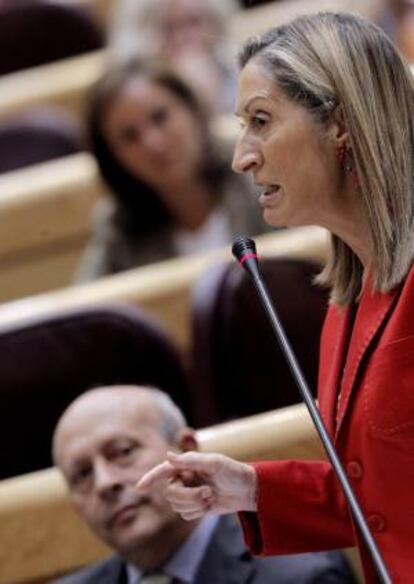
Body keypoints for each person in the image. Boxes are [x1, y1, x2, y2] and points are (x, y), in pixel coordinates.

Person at [137, 11, 414, 584]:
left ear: (340, 123)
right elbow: (384, 501)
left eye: (261, 121)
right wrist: (251, 488)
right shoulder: (346, 307)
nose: (242, 156)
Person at [52, 385, 356, 583]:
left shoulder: (302, 576)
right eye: (82, 475)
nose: (105, 483)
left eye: (122, 452)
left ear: (186, 449)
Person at [75, 59, 267, 282]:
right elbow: (86, 302)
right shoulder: (118, 229)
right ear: (113, 158)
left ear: (192, 110)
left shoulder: (260, 174)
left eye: (160, 117)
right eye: (130, 136)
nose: (153, 144)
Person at [107, 0, 239, 114]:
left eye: (194, 22)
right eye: (167, 29)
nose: (183, 38)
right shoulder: (137, 95)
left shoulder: (237, 69)